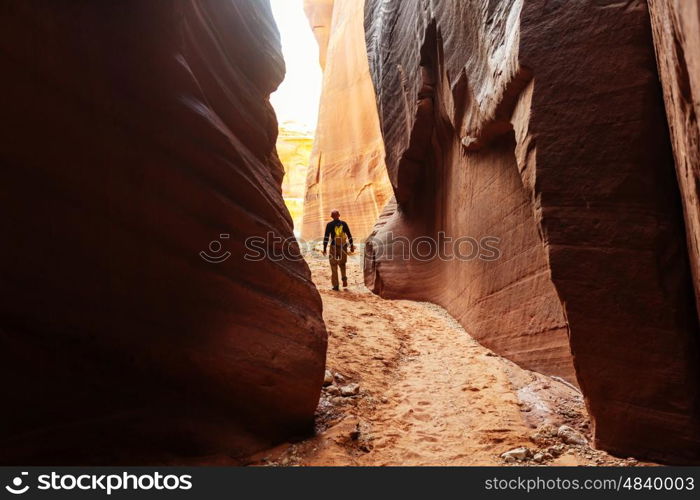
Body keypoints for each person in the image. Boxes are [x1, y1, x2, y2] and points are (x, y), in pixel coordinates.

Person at [322, 209, 354, 291]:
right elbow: (349, 234)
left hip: (333, 247)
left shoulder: (329, 225)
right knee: (342, 264)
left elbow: (326, 237)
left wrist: (324, 248)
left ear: (332, 217)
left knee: (334, 265)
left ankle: (336, 286)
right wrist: (351, 245)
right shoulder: (344, 223)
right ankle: (344, 279)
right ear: (339, 215)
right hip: (343, 246)